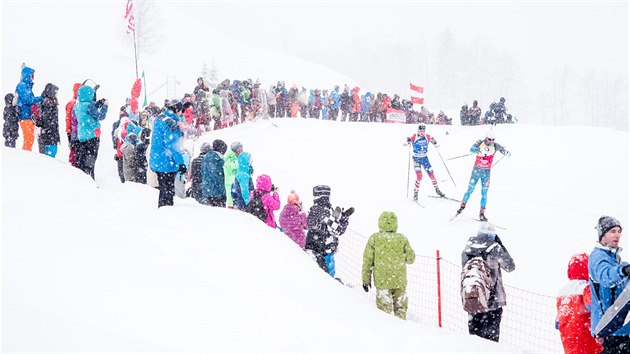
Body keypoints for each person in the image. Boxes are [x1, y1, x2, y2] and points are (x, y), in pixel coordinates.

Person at [462, 222, 515, 342]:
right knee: (491, 343)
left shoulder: (468, 248)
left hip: (473, 298)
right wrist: (500, 244)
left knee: (475, 340)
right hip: (493, 302)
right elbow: (510, 266)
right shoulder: (495, 248)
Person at [361, 211, 416, 320]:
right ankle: (402, 331)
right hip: (399, 281)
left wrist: (366, 280)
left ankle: (386, 333)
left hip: (382, 282)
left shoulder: (374, 238)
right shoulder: (402, 239)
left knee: (384, 313)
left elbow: (368, 261)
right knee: (400, 309)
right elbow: (411, 259)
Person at [589, 216, 629, 353]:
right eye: (612, 231)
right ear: (603, 236)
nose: (617, 235)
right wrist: (623, 270)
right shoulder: (598, 256)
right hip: (608, 324)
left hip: (618, 324)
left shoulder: (614, 258)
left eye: (619, 231)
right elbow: (605, 276)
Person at [456, 130, 510, 221]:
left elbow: (504, 151)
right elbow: (471, 149)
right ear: (486, 137)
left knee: (484, 193)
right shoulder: (479, 142)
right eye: (489, 139)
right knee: (470, 189)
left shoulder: (496, 146)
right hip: (476, 171)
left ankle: (482, 213)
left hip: (486, 173)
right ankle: (462, 205)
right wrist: (478, 150)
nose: (491, 141)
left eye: (493, 140)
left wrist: (507, 153)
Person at [556, 253, 603, 354]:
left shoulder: (561, 292)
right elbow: (594, 307)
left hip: (569, 343)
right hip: (587, 342)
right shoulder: (585, 288)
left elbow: (557, 321)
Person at [304, 185, 351, 277]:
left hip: (313, 248)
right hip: (324, 251)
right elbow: (337, 230)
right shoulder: (324, 211)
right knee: (328, 278)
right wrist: (344, 220)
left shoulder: (313, 209)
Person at [149, 107, 186, 208]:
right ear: (177, 111)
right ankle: (167, 213)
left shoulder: (160, 120)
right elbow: (172, 146)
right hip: (166, 161)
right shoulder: (171, 124)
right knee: (168, 191)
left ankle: (162, 210)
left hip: (157, 160)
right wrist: (181, 163)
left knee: (163, 189)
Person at [74, 84, 109, 179]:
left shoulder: (77, 106)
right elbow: (100, 116)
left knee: (83, 160)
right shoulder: (89, 106)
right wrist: (105, 106)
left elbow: (89, 110)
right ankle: (90, 181)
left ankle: (83, 180)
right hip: (92, 136)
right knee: (90, 162)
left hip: (82, 137)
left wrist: (98, 104)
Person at [405, 124, 446, 201]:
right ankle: (416, 192)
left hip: (424, 159)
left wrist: (435, 142)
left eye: (423, 131)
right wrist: (408, 141)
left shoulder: (427, 136)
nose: (422, 133)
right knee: (419, 176)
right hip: (416, 159)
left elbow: (435, 142)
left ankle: (437, 189)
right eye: (420, 131)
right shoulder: (414, 136)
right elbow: (405, 143)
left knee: (431, 174)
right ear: (418, 130)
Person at [15, 66, 42, 151]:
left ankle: (27, 154)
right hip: (24, 115)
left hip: (27, 115)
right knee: (28, 137)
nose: (33, 78)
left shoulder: (26, 86)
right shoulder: (22, 86)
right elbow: (28, 100)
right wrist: (41, 98)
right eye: (32, 76)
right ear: (27, 75)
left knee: (30, 137)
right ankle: (26, 156)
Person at [35, 83, 60, 157]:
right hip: (49, 134)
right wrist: (52, 131)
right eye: (55, 92)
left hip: (45, 134)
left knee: (46, 156)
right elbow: (48, 119)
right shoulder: (48, 102)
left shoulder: (42, 101)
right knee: (51, 155)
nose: (56, 94)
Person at [201, 139, 227, 207]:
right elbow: (218, 176)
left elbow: (202, 172)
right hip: (217, 192)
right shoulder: (217, 158)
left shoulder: (205, 157)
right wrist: (224, 190)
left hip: (207, 190)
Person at [65, 83, 81, 167]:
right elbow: (68, 119)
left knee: (74, 151)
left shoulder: (72, 102)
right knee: (75, 151)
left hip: (73, 131)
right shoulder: (73, 103)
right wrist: (69, 131)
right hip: (74, 131)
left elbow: (68, 119)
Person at [224, 141, 242, 208]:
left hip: (230, 182)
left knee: (231, 201)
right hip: (231, 182)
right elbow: (231, 168)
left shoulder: (231, 156)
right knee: (232, 203)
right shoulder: (231, 158)